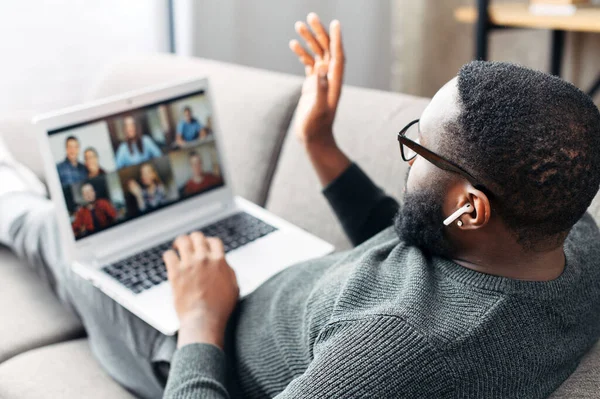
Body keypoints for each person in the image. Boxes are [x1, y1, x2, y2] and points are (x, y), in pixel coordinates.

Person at [1, 13, 600, 399]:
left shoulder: (396, 352)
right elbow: (409, 242)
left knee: (51, 227)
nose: (408, 159)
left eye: (418, 146)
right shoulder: (571, 238)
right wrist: (320, 143)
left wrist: (200, 318)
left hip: (191, 343)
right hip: (259, 286)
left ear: (471, 209)